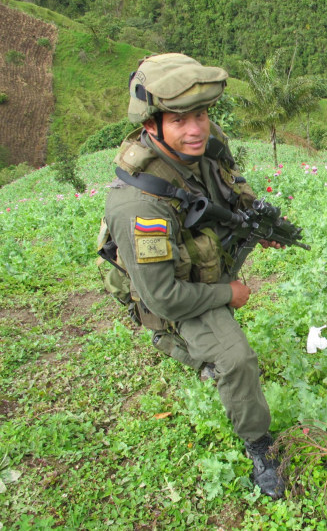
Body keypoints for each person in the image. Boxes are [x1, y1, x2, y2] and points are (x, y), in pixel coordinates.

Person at [98, 53, 285, 499]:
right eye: (180, 119)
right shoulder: (138, 207)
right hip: (167, 287)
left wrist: (256, 216)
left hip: (195, 253)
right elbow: (164, 296)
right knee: (236, 360)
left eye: (200, 115)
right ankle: (257, 443)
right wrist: (228, 293)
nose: (196, 128)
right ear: (152, 125)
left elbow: (229, 180)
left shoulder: (204, 142)